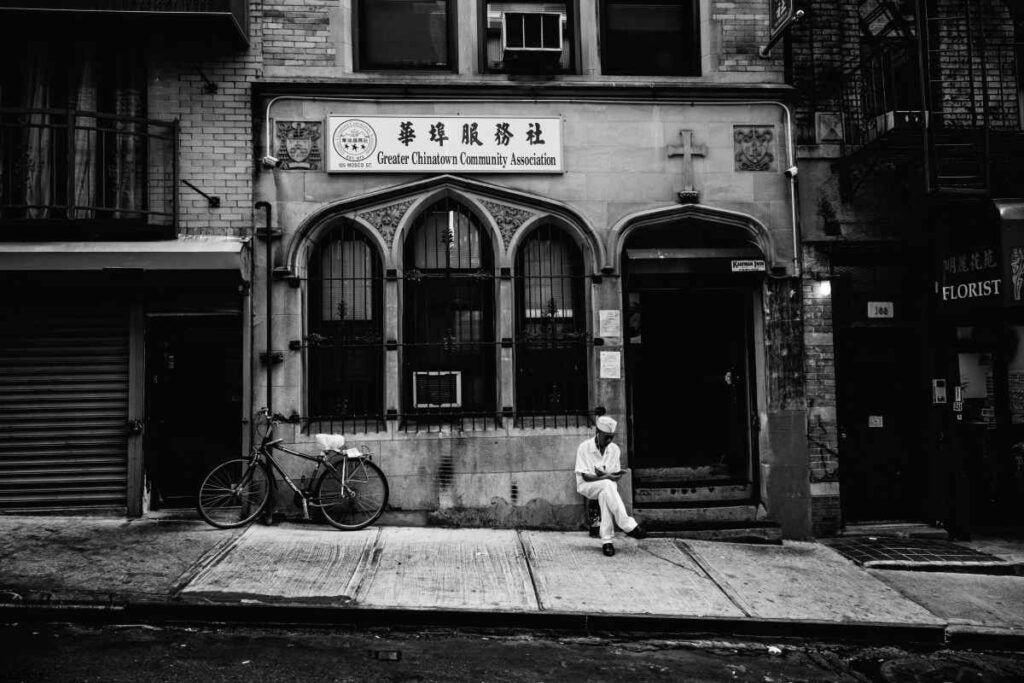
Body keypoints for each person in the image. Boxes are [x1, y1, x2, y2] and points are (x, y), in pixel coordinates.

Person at [575, 415, 647, 556]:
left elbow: (615, 475)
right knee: (607, 485)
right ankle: (626, 524)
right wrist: (607, 476)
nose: (609, 440)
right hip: (587, 486)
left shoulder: (614, 449)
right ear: (598, 432)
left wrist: (615, 475)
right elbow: (584, 476)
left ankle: (607, 542)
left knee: (605, 493)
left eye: (611, 437)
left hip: (606, 488)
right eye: (606, 437)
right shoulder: (584, 447)